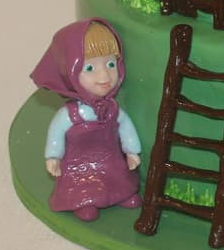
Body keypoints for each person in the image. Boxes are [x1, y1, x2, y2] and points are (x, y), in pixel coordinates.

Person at [30, 19, 142, 221]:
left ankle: (121, 195)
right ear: (70, 72)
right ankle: (83, 202)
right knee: (82, 185)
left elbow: (125, 127)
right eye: (90, 68)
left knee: (117, 176)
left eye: (110, 64)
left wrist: (131, 150)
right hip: (79, 165)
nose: (104, 76)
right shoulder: (70, 114)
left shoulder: (112, 108)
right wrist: (53, 156)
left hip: (110, 159)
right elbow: (56, 133)